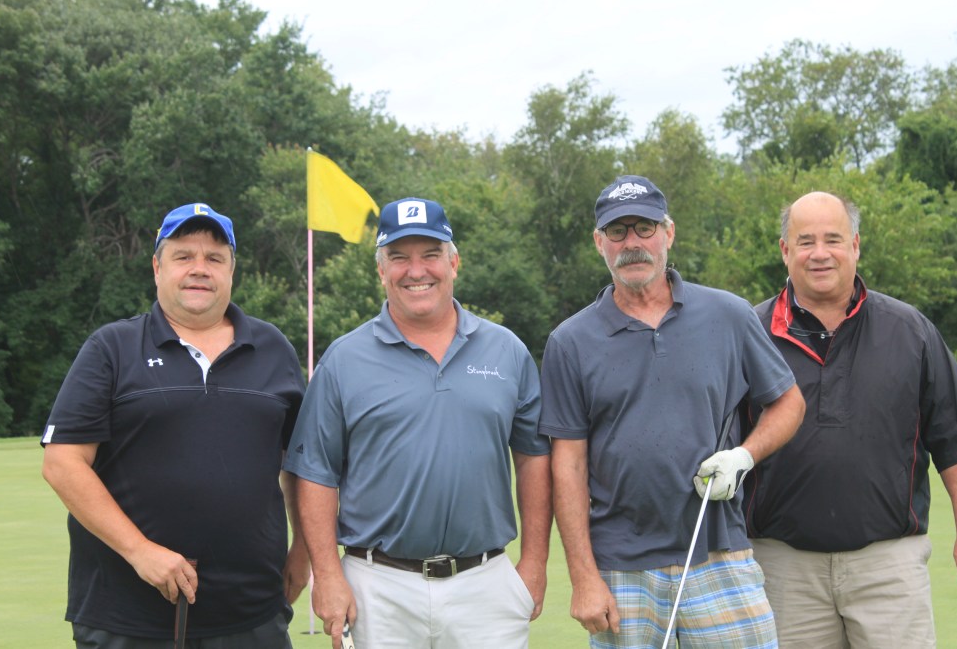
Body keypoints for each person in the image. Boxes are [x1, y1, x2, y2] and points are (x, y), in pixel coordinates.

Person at [541, 175, 806, 648]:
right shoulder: (570, 342)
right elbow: (569, 465)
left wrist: (743, 456)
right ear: (599, 242)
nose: (632, 243)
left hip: (719, 554)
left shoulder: (729, 315)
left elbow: (788, 402)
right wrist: (583, 578)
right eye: (618, 231)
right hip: (621, 568)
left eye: (644, 228)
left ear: (668, 233)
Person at [283, 197, 552, 649]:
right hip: (376, 587)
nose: (416, 271)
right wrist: (327, 575)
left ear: (454, 263)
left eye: (430, 255)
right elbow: (315, 473)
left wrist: (535, 562)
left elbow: (533, 459)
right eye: (399, 257)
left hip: (486, 585)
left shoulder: (507, 350)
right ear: (381, 270)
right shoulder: (344, 359)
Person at [41, 203, 308, 648]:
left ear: (231, 270)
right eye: (183, 256)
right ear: (157, 267)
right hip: (126, 616)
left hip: (251, 613)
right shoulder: (112, 347)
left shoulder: (273, 347)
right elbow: (63, 463)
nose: (199, 268)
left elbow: (301, 463)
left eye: (214, 258)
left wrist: (304, 549)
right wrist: (139, 550)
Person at [742, 190, 957, 648]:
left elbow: (956, 438)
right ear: (785, 250)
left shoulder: (911, 330)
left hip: (889, 567)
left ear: (856, 245)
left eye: (833, 239)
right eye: (805, 241)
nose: (820, 253)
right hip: (782, 569)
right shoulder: (749, 333)